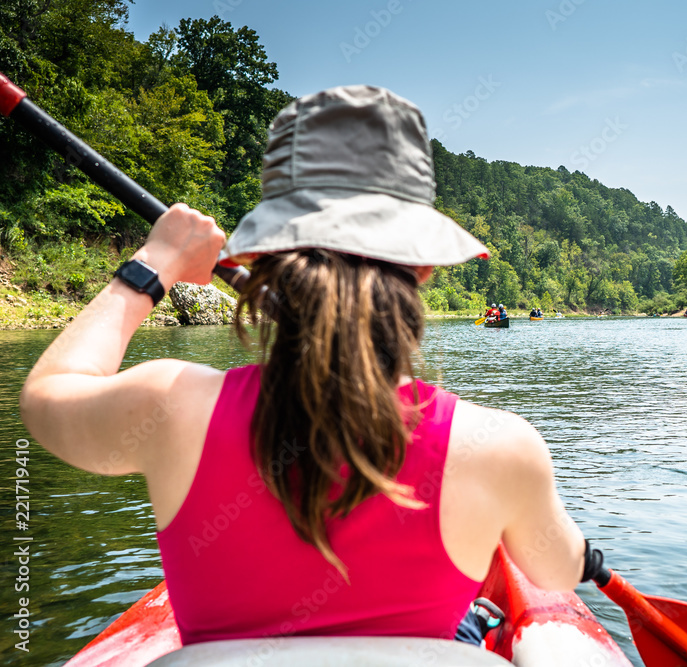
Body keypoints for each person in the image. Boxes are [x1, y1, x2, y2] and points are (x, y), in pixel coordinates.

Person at [19, 86, 599, 648]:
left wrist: (155, 262)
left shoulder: (168, 403)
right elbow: (554, 572)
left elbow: (45, 396)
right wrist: (569, 546)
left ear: (262, 256)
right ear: (422, 268)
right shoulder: (502, 447)